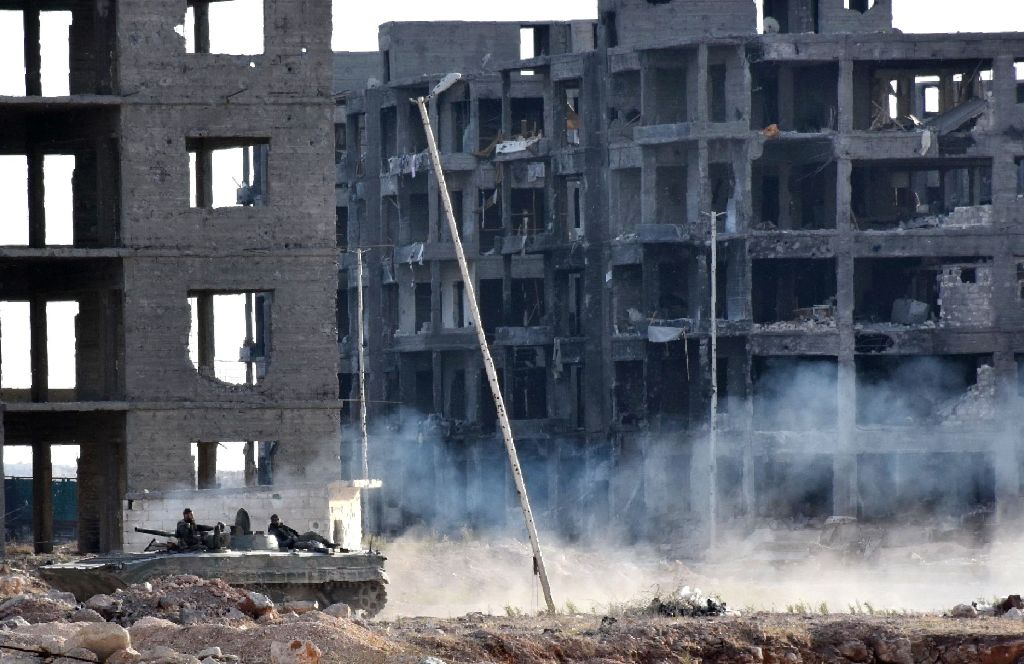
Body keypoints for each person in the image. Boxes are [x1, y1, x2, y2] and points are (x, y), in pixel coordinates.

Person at [267, 514, 337, 550]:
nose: (276, 521)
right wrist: (290, 539)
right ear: (272, 521)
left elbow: (294, 532)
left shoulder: (283, 526)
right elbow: (280, 544)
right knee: (310, 544)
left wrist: (296, 536)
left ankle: (328, 544)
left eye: (277, 519)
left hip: (297, 538)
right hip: (292, 545)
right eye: (274, 520)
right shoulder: (273, 531)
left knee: (312, 534)